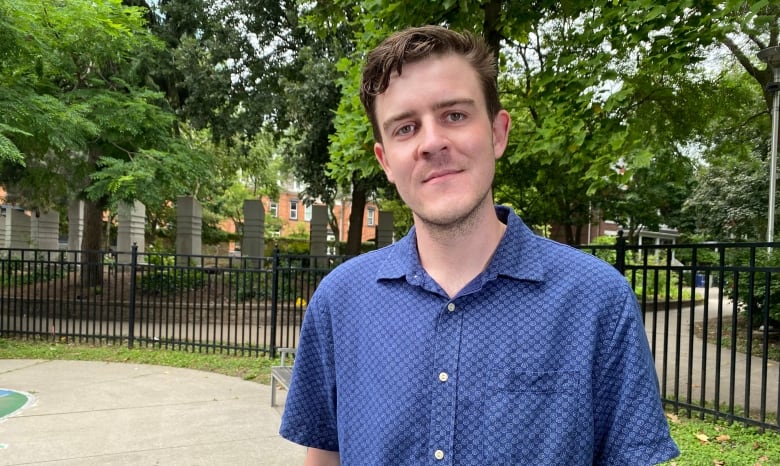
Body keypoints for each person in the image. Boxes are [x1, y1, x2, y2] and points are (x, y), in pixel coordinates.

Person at [280, 25, 679, 465]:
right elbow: (324, 455)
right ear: (385, 161)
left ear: (497, 133)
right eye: (406, 127)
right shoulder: (341, 301)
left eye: (454, 115)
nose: (432, 143)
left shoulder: (596, 301)